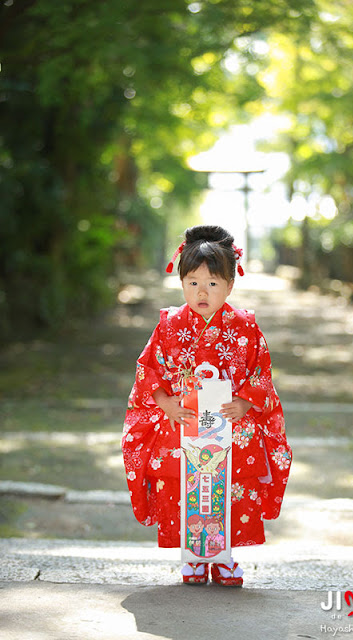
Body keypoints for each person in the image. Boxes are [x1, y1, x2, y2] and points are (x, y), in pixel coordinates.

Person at [122, 225, 292, 587]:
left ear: (230, 285)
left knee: (228, 489)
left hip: (232, 429)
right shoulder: (168, 325)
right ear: (181, 282)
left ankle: (225, 556)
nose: (202, 291)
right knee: (187, 492)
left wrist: (246, 400)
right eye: (193, 282)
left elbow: (261, 370)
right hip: (181, 426)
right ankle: (194, 559)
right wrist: (165, 402)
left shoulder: (246, 326)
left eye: (213, 283)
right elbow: (147, 368)